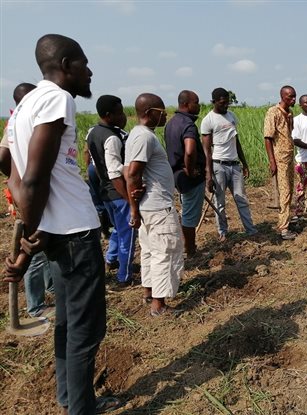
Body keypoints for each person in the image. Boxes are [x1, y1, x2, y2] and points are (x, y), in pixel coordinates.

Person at [4, 34, 120, 414]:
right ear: (67, 64)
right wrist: (30, 235)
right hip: (73, 232)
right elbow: (35, 176)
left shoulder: (23, 107)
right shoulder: (57, 98)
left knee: (67, 323)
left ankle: (70, 399)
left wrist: (30, 226)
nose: (90, 72)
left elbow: (9, 165)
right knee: (86, 330)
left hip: (55, 231)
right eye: (85, 64)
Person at [126, 93, 184, 316]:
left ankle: (149, 292)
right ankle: (158, 305)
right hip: (158, 206)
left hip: (150, 205)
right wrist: (133, 207)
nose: (165, 115)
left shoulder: (139, 135)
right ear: (149, 113)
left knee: (150, 250)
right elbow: (132, 173)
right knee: (165, 252)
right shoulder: (144, 137)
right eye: (161, 112)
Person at [1, 83, 55, 318]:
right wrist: (20, 180)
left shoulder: (15, 122)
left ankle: (50, 288)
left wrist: (15, 179)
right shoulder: (24, 122)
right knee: (33, 248)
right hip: (31, 197)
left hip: (29, 195)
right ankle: (35, 306)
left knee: (43, 245)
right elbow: (3, 158)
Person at [86, 95, 137, 287]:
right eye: (120, 112)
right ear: (108, 115)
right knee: (129, 234)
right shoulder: (112, 138)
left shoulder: (93, 132)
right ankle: (124, 276)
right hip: (117, 192)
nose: (123, 115)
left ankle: (111, 259)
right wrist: (130, 201)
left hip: (105, 192)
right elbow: (114, 172)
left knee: (118, 229)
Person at [200, 87, 257, 241]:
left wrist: (244, 163)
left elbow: (236, 141)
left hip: (234, 165)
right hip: (218, 165)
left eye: (227, 102)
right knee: (220, 202)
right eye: (223, 102)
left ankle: (250, 230)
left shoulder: (231, 116)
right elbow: (206, 150)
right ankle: (222, 232)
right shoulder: (208, 120)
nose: (226, 105)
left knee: (241, 198)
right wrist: (208, 174)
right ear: (214, 102)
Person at [164, 90, 206, 257]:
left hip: (176, 175)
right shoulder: (188, 125)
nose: (199, 105)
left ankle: (187, 246)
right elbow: (189, 150)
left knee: (186, 209)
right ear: (187, 104)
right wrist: (190, 170)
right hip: (189, 177)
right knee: (189, 215)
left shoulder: (171, 123)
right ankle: (190, 249)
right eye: (196, 102)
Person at [263, 85, 297, 240]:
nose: (294, 99)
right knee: (284, 192)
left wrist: (290, 121)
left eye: (294, 96)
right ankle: (283, 228)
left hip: (289, 157)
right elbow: (268, 138)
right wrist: (272, 161)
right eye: (290, 97)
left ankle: (287, 220)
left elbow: (289, 134)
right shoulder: (273, 112)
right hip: (280, 159)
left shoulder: (290, 113)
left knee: (290, 190)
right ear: (283, 96)